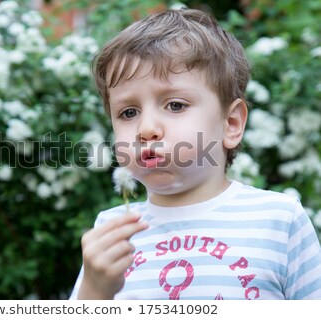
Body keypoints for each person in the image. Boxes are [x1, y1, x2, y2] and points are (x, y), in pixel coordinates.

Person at [70, 8, 321, 300]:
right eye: (128, 112)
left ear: (231, 124)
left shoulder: (279, 219)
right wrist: (95, 290)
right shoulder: (112, 232)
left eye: (175, 105)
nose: (146, 128)